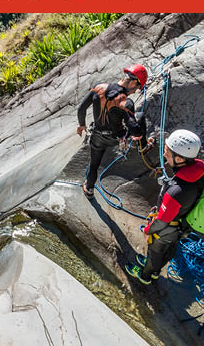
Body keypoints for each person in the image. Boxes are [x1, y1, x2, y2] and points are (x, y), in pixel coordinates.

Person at [126, 129, 204, 284]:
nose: (164, 155)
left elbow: (161, 221)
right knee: (168, 250)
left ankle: (146, 276)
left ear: (180, 158)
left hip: (168, 228)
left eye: (167, 152)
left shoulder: (176, 191)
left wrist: (148, 230)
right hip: (183, 224)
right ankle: (154, 269)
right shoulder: (199, 169)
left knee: (155, 251)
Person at [77, 64, 154, 199]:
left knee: (94, 164)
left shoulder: (98, 87)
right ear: (134, 82)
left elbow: (81, 109)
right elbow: (134, 129)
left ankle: (89, 188)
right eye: (137, 88)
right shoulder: (125, 101)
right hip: (116, 138)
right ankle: (143, 147)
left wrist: (82, 125)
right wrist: (139, 135)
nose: (135, 91)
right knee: (140, 117)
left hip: (97, 137)